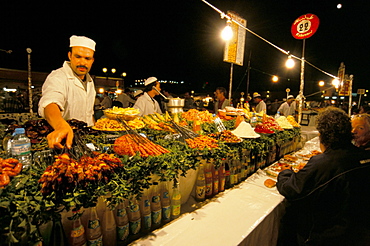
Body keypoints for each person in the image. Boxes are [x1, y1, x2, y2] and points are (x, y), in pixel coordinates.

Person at [277, 107, 370, 245]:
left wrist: (285, 173)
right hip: (360, 234)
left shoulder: (324, 163)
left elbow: (292, 189)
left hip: (329, 237)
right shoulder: (364, 156)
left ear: (323, 135)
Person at [38, 35, 96, 149]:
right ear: (70, 56)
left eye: (87, 58)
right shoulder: (58, 77)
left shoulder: (90, 81)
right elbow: (50, 103)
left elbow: (88, 113)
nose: (82, 62)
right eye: (78, 56)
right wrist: (60, 126)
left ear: (92, 60)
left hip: (88, 140)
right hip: (64, 142)